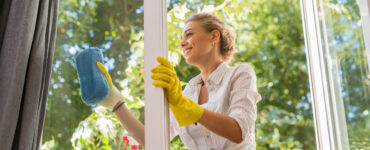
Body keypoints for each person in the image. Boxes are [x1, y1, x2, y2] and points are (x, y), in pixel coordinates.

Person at [95, 13, 262, 149]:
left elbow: (238, 131)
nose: (182, 43)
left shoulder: (240, 74)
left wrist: (184, 105)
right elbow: (153, 141)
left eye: (189, 34)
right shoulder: (188, 92)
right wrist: (116, 104)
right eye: (182, 38)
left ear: (214, 36)